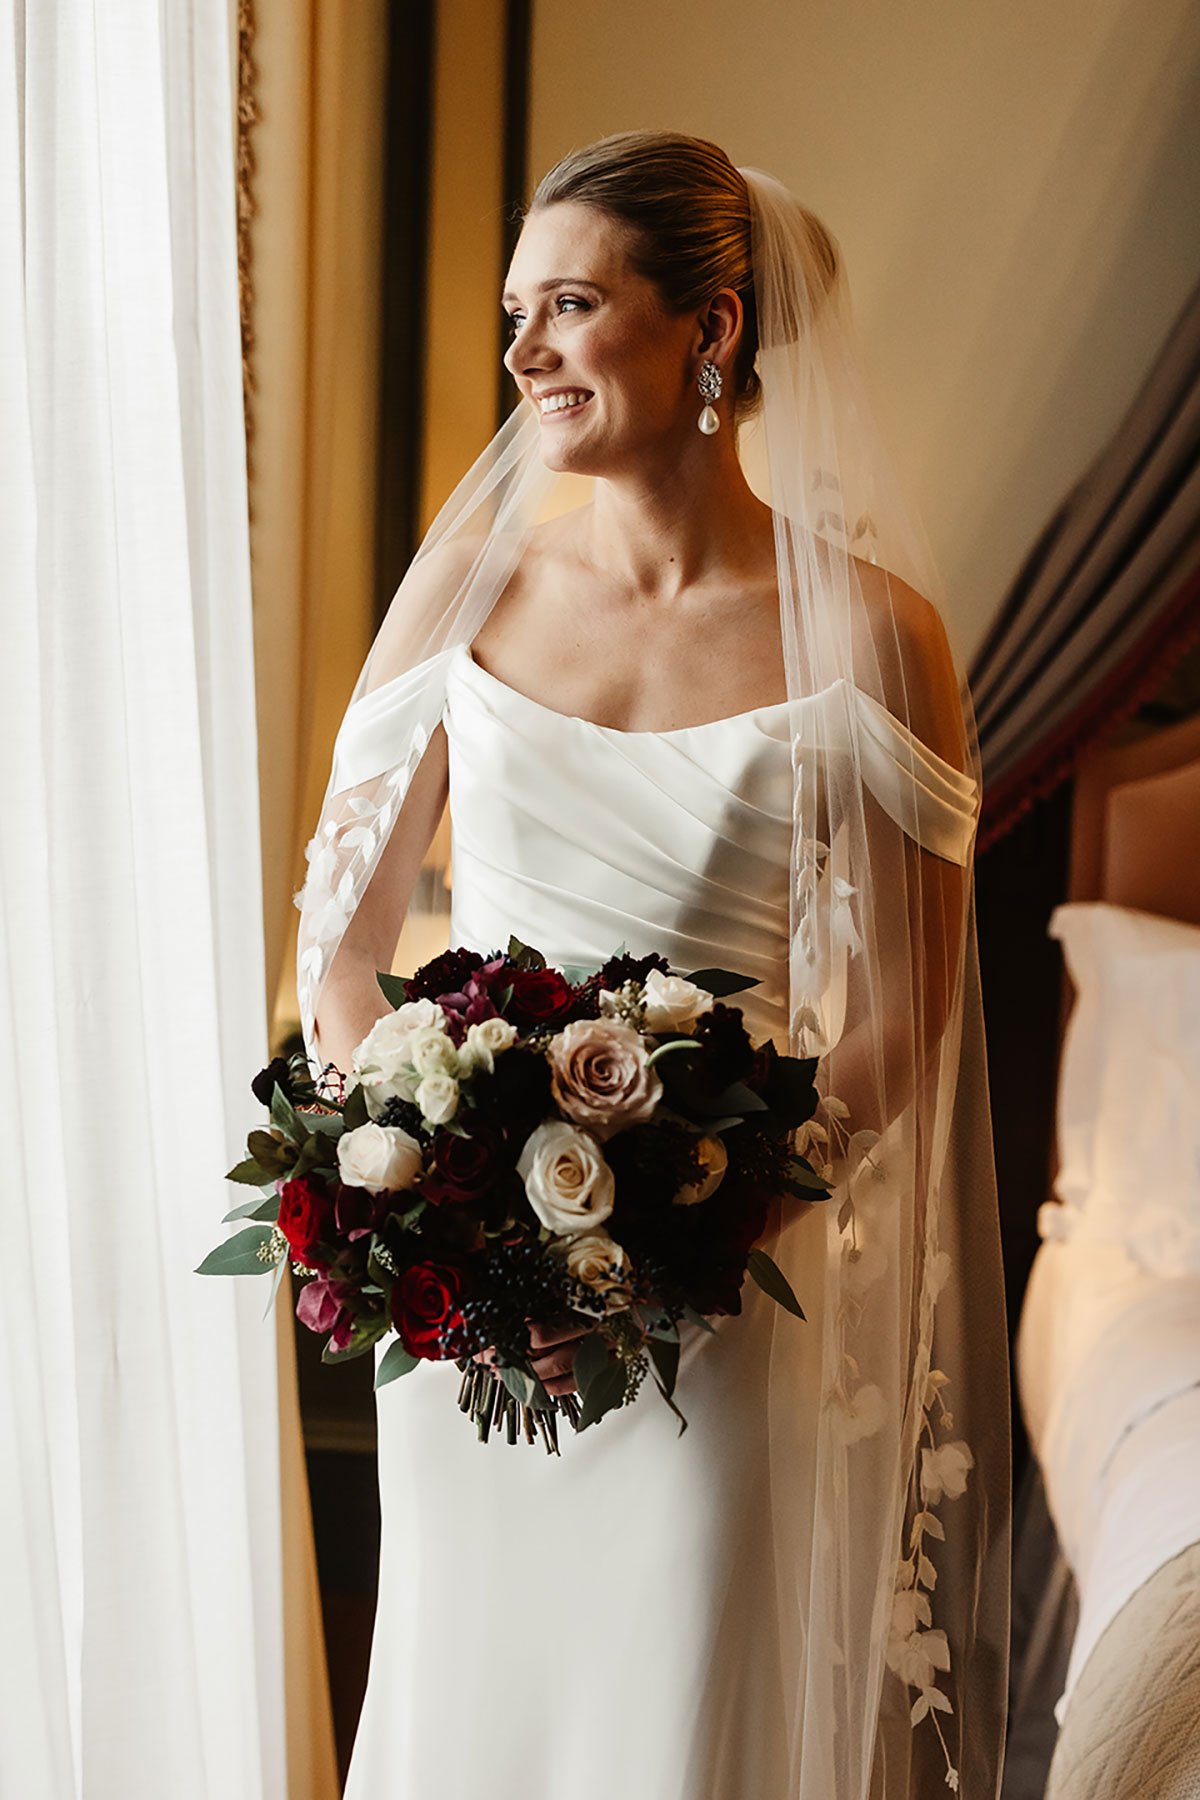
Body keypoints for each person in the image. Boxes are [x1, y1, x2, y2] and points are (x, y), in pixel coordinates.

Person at [297, 131, 1009, 1800]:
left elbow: (905, 1014)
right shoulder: (468, 590)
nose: (523, 353)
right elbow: (342, 957)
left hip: (722, 1295)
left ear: (712, 331)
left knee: (676, 1712)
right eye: (512, 311)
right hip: (470, 1314)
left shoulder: (869, 634)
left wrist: (703, 1231)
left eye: (571, 306)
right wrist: (443, 1219)